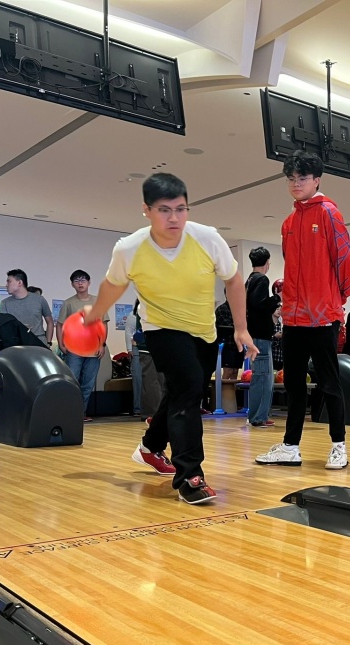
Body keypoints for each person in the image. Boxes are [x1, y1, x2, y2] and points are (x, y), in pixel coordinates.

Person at [82, 172, 255, 505]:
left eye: (181, 209)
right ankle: (190, 476)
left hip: (204, 332)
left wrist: (241, 328)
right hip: (160, 328)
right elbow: (114, 284)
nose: (174, 218)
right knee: (188, 389)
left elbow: (234, 280)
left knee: (183, 393)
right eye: (164, 210)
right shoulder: (130, 248)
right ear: (146, 210)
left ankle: (150, 446)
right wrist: (95, 315)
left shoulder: (207, 238)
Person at [256, 150, 350, 470]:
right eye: (291, 178)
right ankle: (290, 446)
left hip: (323, 316)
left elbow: (345, 261)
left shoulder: (329, 214)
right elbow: (292, 265)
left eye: (302, 178)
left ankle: (339, 445)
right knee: (294, 384)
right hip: (294, 317)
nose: (296, 183)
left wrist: (335, 298)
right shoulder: (288, 222)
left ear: (317, 180)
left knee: (329, 383)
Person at [56, 270, 109, 421]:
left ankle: (81, 413)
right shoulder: (68, 303)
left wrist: (102, 344)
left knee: (88, 383)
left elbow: (104, 325)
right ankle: (68, 413)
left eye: (83, 280)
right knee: (71, 381)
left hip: (94, 349)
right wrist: (61, 343)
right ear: (72, 284)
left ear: (89, 282)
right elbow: (60, 325)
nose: (80, 283)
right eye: (76, 281)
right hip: (73, 349)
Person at [245, 246, 281, 428]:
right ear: (267, 263)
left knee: (261, 376)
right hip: (260, 336)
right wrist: (277, 298)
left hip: (254, 335)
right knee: (263, 378)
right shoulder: (262, 279)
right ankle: (258, 417)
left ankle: (258, 415)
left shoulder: (250, 279)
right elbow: (258, 304)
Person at [0, 269, 54, 346]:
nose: (6, 285)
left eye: (9, 281)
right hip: (17, 344)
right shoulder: (5, 303)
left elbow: (50, 322)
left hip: (38, 342)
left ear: (19, 282)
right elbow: (5, 327)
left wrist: (48, 342)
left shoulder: (39, 299)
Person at [125, 299, 143, 418]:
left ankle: (151, 408)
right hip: (137, 349)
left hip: (152, 349)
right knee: (138, 380)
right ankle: (138, 408)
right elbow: (128, 332)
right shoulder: (132, 315)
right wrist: (129, 349)